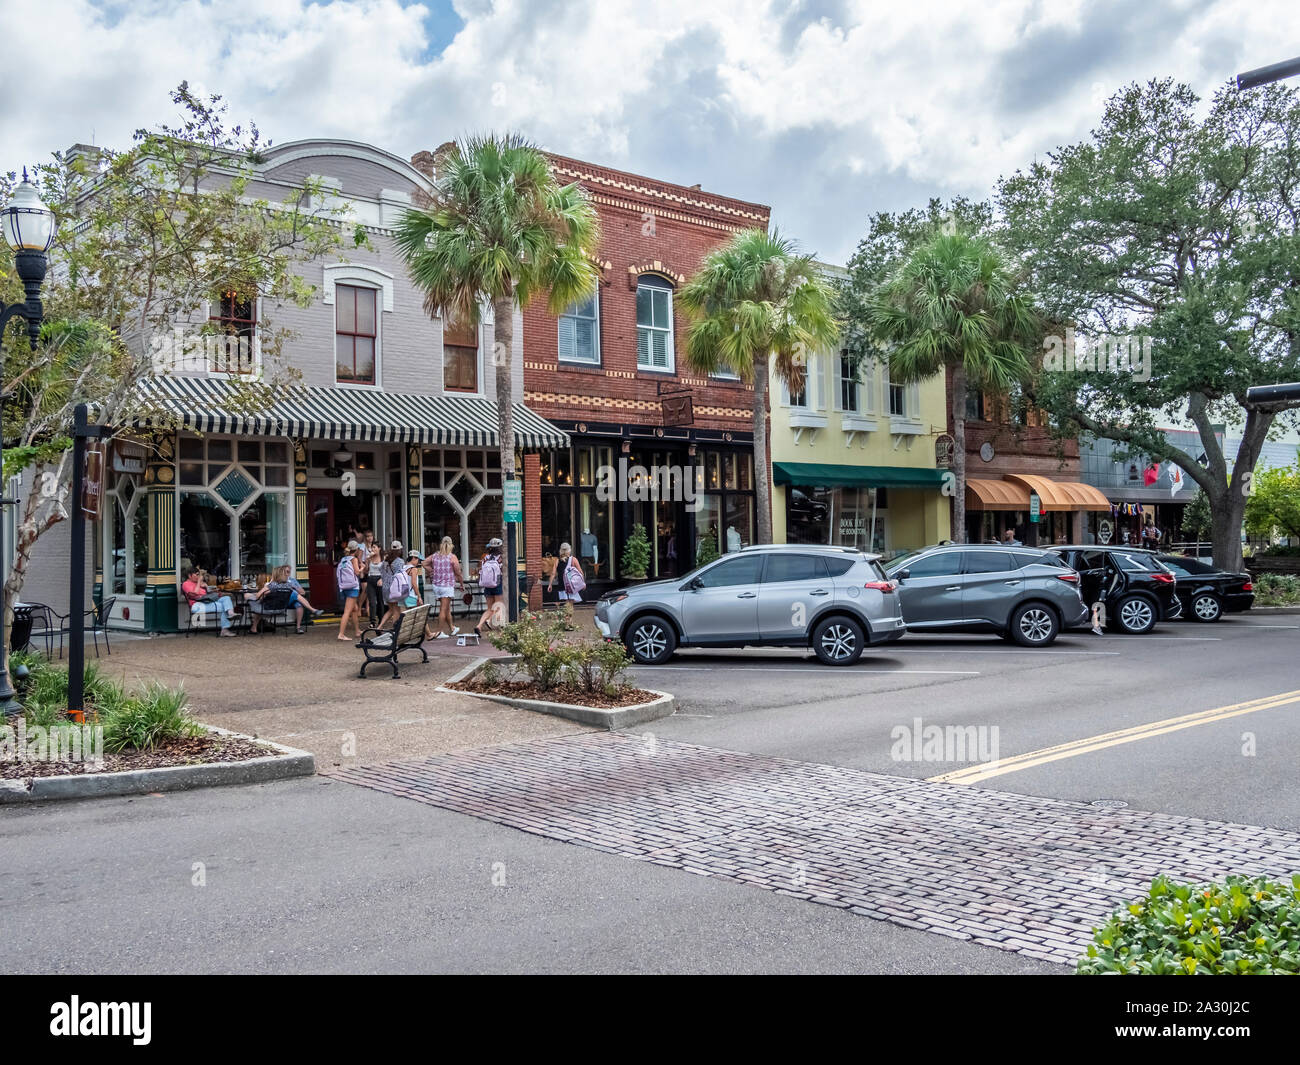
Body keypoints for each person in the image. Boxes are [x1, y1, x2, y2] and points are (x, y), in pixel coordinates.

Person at [250, 565, 325, 634]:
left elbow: (257, 596)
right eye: (285, 572)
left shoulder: (271, 585)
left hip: (268, 607)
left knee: (256, 602)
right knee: (295, 595)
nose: (287, 574)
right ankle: (313, 610)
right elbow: (301, 594)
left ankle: (254, 628)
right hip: (281, 607)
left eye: (288, 572)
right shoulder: (288, 585)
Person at [425, 536, 463, 640]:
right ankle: (439, 632)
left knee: (446, 608)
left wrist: (431, 571)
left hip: (436, 585)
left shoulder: (435, 555)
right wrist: (461, 583)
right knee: (443, 609)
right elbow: (458, 572)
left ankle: (452, 628)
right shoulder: (452, 557)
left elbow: (424, 563)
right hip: (447, 585)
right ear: (451, 545)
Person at [182, 568, 237, 637]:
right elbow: (194, 594)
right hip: (197, 605)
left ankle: (231, 613)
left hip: (207, 601)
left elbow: (208, 594)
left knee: (226, 598)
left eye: (199, 575)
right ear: (189, 576)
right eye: (197, 575)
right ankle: (225, 630)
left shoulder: (199, 584)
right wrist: (199, 582)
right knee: (225, 606)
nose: (199, 576)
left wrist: (207, 587)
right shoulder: (186, 584)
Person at [547, 541, 585, 630]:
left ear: (561, 550)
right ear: (569, 550)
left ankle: (568, 622)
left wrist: (550, 584)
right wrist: (583, 582)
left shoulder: (557, 561)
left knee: (567, 605)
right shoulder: (573, 559)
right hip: (571, 586)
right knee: (570, 605)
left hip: (562, 586)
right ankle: (568, 624)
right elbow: (580, 571)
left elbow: (553, 574)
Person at [474, 538, 505, 639]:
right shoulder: (501, 558)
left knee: (489, 608)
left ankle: (479, 626)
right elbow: (503, 571)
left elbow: (480, 569)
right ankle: (501, 631)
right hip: (497, 584)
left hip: (487, 585)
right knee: (498, 607)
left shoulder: (485, 558)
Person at [377, 541, 410, 632]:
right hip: (394, 589)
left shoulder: (385, 561)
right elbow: (400, 575)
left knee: (391, 609)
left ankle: (379, 627)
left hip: (385, 588)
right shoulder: (400, 561)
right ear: (399, 550)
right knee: (396, 610)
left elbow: (380, 571)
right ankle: (396, 630)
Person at [336, 541, 365, 641]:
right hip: (352, 587)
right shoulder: (354, 559)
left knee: (355, 609)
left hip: (344, 586)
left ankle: (357, 631)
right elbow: (357, 572)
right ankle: (341, 634)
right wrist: (362, 568)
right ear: (356, 550)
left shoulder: (344, 559)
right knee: (347, 611)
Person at [361, 530, 383, 626]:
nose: (372, 549)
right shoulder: (369, 557)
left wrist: (382, 579)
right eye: (371, 547)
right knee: (372, 602)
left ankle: (381, 620)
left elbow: (386, 572)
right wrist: (367, 561)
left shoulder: (383, 558)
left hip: (380, 579)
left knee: (380, 601)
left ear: (379, 548)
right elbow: (366, 571)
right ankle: (372, 622)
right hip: (371, 579)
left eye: (374, 547)